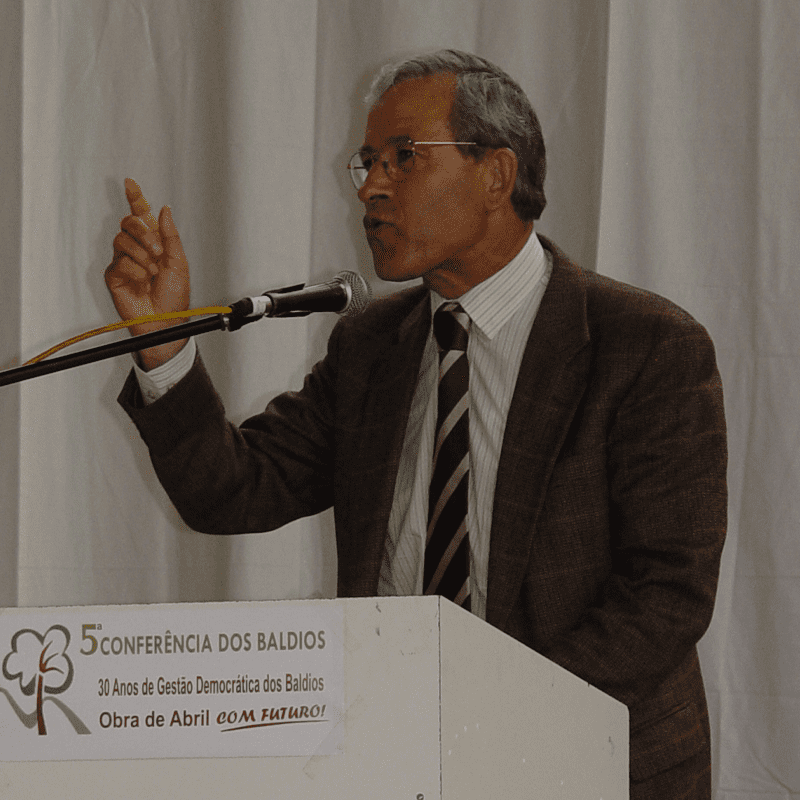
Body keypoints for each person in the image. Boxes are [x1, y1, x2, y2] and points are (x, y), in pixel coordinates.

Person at [105, 50, 727, 798]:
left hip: (587, 758)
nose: (371, 186)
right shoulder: (373, 345)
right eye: (368, 162)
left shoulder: (645, 345)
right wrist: (163, 343)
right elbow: (233, 492)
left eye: (403, 157)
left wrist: (483, 715)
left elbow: (666, 594)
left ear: (497, 174)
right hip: (402, 758)